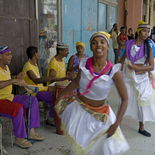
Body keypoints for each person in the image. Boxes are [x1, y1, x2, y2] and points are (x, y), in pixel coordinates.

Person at [55, 32, 129, 155]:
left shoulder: (114, 71)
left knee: (99, 150)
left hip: (101, 116)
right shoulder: (84, 65)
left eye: (102, 42)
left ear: (108, 46)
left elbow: (125, 99)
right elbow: (76, 83)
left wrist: (116, 124)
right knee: (80, 149)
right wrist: (60, 96)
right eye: (94, 43)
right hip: (80, 112)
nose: (98, 45)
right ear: (90, 47)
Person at [0, 46, 44, 149]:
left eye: (10, 54)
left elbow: (6, 79)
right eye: (7, 55)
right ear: (0, 56)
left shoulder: (6, 67)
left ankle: (31, 131)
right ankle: (19, 138)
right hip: (1, 101)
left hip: (9, 97)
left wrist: (16, 77)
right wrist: (12, 81)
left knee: (32, 100)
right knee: (18, 108)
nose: (10, 57)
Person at [121, 20, 155, 137]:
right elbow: (124, 57)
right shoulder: (129, 43)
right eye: (144, 31)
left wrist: (135, 67)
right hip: (129, 76)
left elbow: (151, 66)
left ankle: (141, 127)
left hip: (142, 78)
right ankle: (117, 122)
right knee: (126, 98)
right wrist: (119, 68)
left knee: (142, 104)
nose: (146, 34)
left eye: (148, 31)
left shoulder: (149, 46)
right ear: (139, 31)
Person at [47, 42, 75, 134]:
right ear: (60, 51)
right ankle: (54, 118)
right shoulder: (53, 62)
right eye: (66, 50)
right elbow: (52, 79)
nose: (68, 52)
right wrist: (66, 78)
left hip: (61, 85)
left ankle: (66, 119)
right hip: (53, 86)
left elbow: (63, 77)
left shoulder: (62, 61)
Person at [22, 46, 55, 124]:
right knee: (53, 97)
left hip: (39, 89)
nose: (39, 54)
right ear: (35, 54)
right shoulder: (28, 66)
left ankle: (51, 116)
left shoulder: (35, 65)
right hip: (33, 92)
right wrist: (50, 77)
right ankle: (51, 118)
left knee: (56, 92)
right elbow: (36, 80)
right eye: (38, 53)